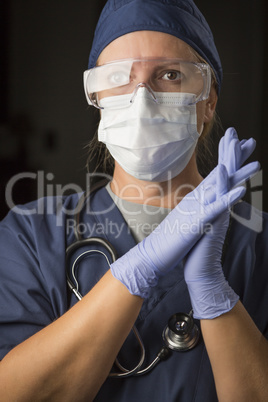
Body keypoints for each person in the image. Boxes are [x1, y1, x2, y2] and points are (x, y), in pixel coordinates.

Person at [0, 0, 267, 401]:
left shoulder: (258, 245)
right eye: (120, 78)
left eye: (171, 74)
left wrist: (213, 292)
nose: (141, 99)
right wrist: (136, 271)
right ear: (98, 97)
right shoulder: (30, 237)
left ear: (208, 101)